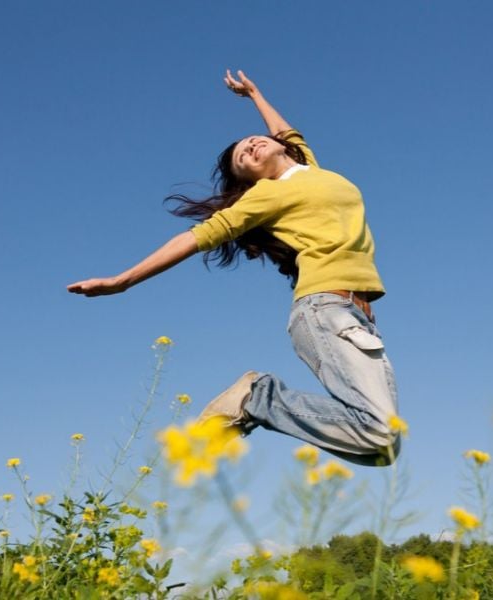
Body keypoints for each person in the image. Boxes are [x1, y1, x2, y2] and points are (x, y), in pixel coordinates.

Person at [67, 70, 400, 466]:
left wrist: (256, 95)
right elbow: (199, 236)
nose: (250, 147)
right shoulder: (267, 195)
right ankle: (258, 397)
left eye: (251, 141)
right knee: (377, 430)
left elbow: (287, 133)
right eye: (244, 158)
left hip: (358, 317)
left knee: (383, 448)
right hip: (324, 307)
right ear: (248, 179)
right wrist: (123, 281)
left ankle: (259, 402)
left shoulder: (310, 168)